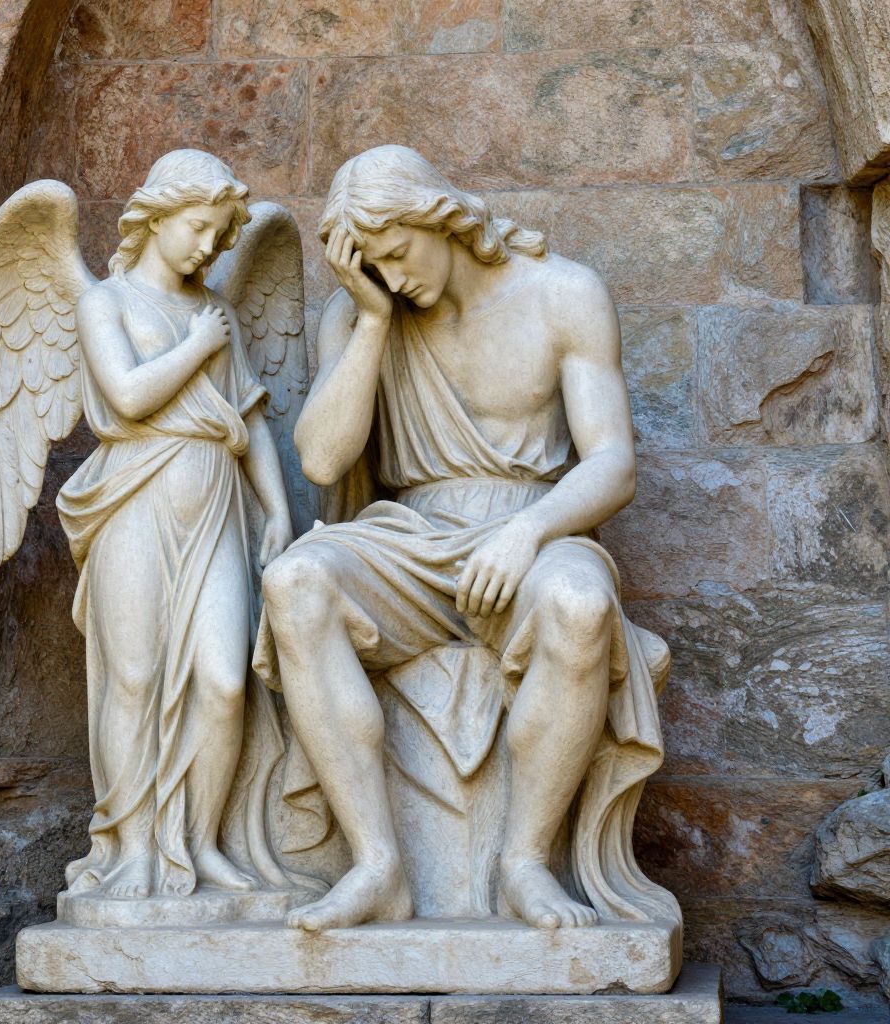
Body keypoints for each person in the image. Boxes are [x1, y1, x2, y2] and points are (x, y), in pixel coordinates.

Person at [254, 145, 676, 933]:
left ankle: (524, 865)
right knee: (295, 582)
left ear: (440, 219)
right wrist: (372, 321)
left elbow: (613, 462)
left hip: (533, 527)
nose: (392, 274)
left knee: (579, 602)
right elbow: (321, 459)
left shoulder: (563, 294)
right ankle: (377, 866)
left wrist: (527, 530)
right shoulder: (360, 312)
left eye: (398, 252)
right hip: (410, 537)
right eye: (372, 265)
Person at [58, 150, 294, 899]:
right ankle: (133, 849)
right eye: (197, 227)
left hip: (217, 501)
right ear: (157, 216)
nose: (207, 247)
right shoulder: (106, 303)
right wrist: (196, 347)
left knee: (224, 681)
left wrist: (278, 509)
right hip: (136, 497)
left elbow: (251, 417)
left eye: (220, 236)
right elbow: (127, 397)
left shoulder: (216, 310)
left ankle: (201, 843)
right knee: (134, 678)